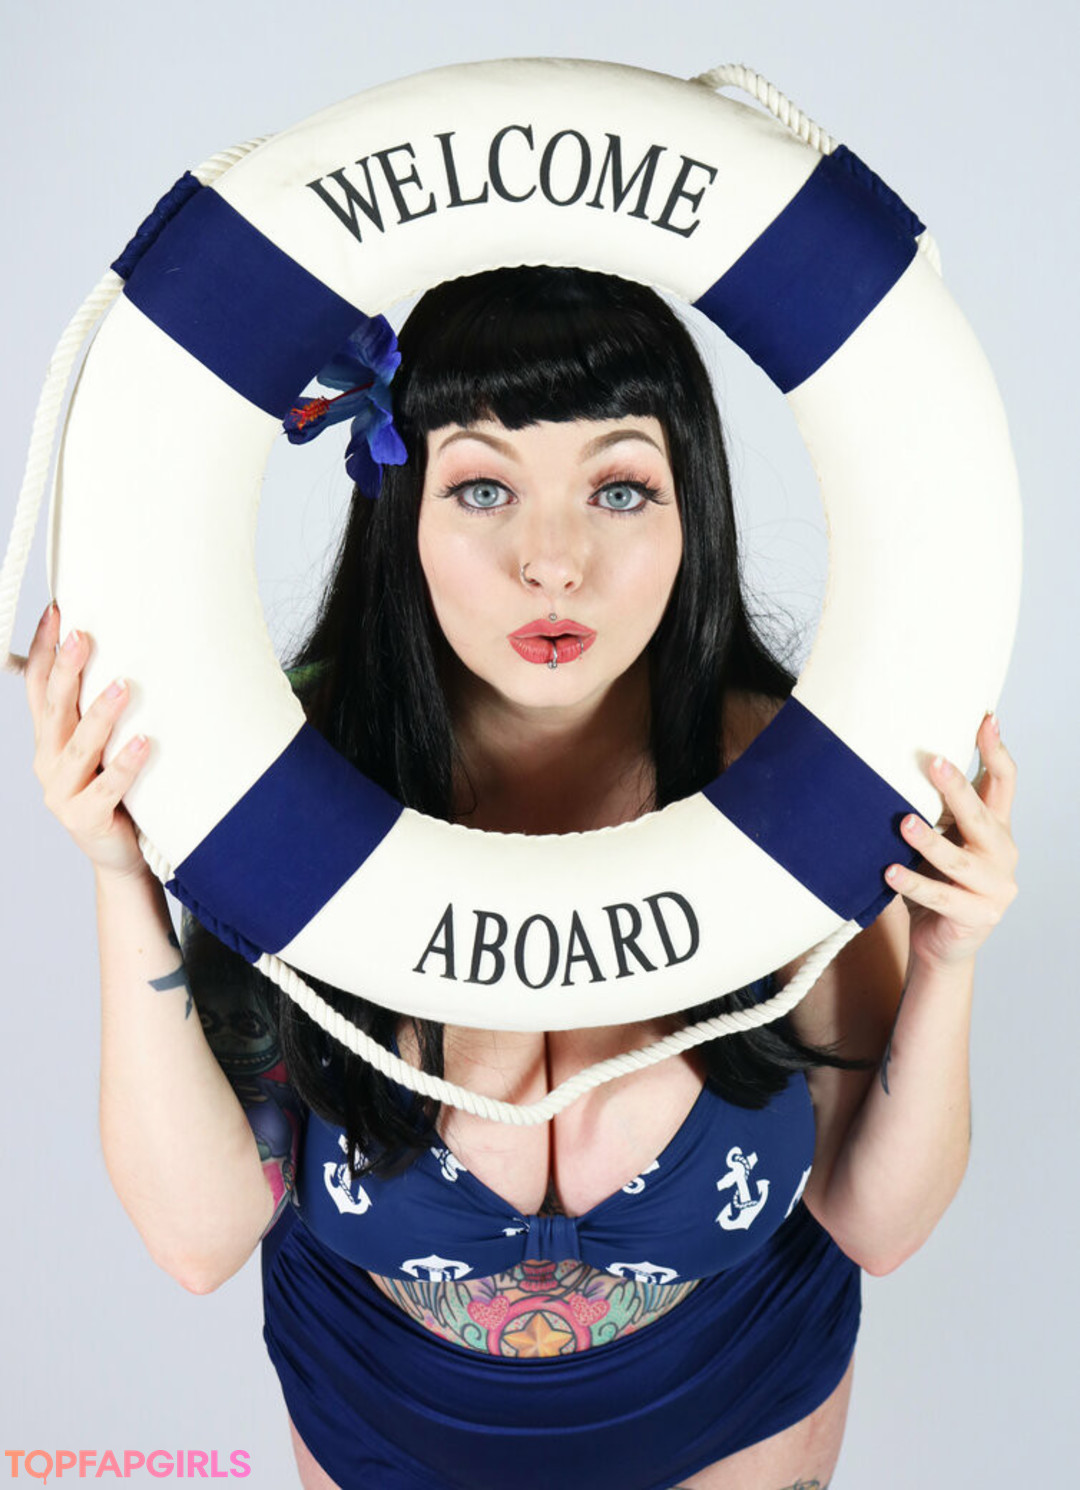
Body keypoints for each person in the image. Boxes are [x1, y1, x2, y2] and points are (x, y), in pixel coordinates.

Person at [24, 266, 1019, 1490]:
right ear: (403, 509)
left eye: (619, 488)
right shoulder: (290, 784)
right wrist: (118, 867)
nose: (553, 562)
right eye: (484, 487)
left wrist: (950, 958)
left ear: (693, 510)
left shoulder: (788, 781)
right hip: (384, 1419)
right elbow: (199, 1237)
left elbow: (881, 1220)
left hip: (742, 1408)